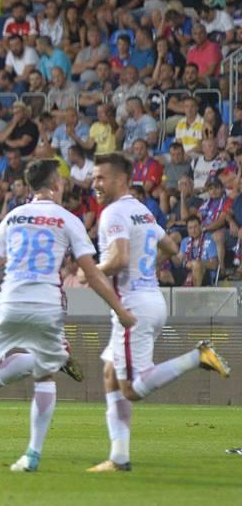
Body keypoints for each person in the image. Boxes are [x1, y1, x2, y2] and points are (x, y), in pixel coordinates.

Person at [0, 159, 136, 472]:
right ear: (55, 184)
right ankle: (32, 455)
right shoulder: (69, 220)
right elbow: (93, 275)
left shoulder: (12, 218)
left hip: (13, 300)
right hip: (49, 306)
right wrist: (120, 309)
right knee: (44, 376)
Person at [88, 154, 230, 472]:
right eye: (94, 177)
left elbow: (120, 259)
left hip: (131, 306)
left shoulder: (113, 213)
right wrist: (147, 270)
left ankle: (197, 357)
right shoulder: (141, 211)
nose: (95, 183)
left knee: (130, 388)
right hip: (151, 298)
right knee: (111, 375)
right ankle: (119, 457)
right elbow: (171, 248)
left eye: (102, 178)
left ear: (121, 180)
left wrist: (89, 271)